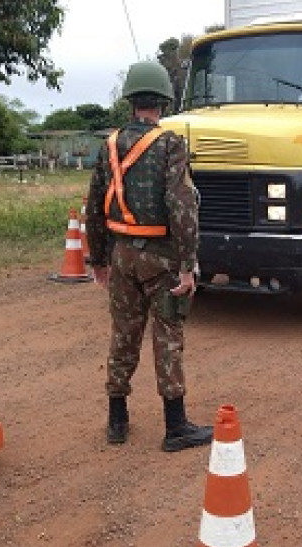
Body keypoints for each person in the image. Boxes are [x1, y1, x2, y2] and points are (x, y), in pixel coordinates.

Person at [85, 60, 213, 451]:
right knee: (167, 336)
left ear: (131, 101)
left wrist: (99, 260)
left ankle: (117, 421)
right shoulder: (171, 143)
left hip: (121, 254)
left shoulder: (109, 144)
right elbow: (183, 207)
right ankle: (176, 427)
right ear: (162, 102)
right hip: (161, 258)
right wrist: (188, 266)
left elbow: (93, 206)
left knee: (123, 334)